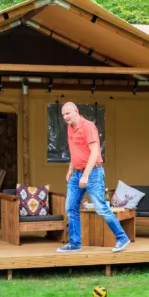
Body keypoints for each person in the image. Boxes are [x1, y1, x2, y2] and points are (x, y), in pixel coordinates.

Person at [57, 102, 130, 254]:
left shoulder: (88, 126)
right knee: (70, 207)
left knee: (101, 208)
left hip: (93, 173)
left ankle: (122, 237)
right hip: (77, 173)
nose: (65, 117)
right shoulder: (70, 128)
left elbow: (95, 152)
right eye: (63, 115)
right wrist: (70, 169)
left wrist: (85, 176)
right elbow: (75, 151)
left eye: (68, 113)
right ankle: (75, 243)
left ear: (76, 111)